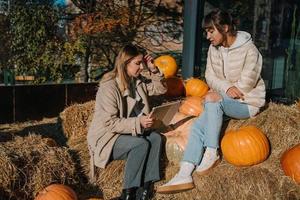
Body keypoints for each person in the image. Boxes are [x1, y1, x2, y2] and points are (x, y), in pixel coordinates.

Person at [157, 9, 266, 194]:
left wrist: (224, 92)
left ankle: (211, 151)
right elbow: (210, 76)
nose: (208, 36)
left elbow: (246, 84)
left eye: (211, 31)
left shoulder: (249, 49)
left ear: (224, 28)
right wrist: (224, 89)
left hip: (246, 103)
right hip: (223, 100)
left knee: (213, 101)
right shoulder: (213, 49)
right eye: (206, 32)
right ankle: (184, 172)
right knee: (200, 124)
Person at [87, 44, 167, 200]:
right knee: (141, 144)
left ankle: (145, 191)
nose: (141, 67)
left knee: (156, 138)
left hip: (128, 131)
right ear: (125, 63)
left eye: (142, 62)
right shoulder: (108, 87)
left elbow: (161, 90)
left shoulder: (136, 81)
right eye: (137, 63)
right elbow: (110, 123)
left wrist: (154, 70)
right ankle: (128, 194)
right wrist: (139, 122)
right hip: (108, 136)